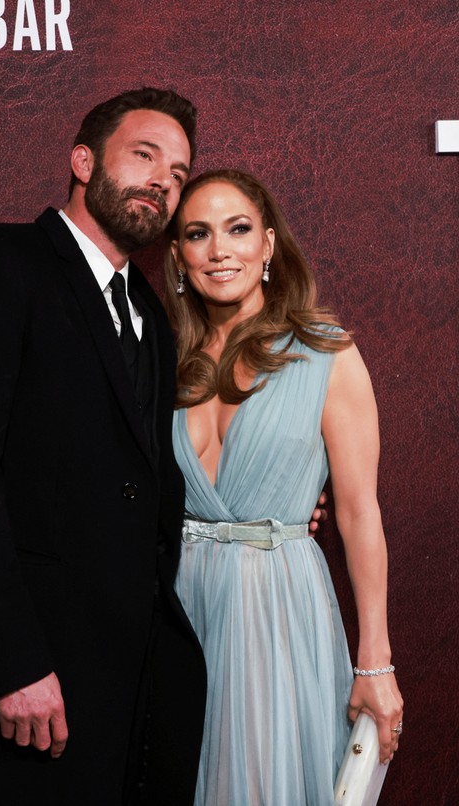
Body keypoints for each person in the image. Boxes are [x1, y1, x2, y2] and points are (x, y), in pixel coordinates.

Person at [0, 88, 208, 806]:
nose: (163, 179)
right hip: (23, 683)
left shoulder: (153, 319)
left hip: (123, 689)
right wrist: (10, 663)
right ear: (82, 160)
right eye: (144, 155)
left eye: (179, 172)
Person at [163, 169, 404, 806]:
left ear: (268, 245)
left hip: (277, 607)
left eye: (238, 229)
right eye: (198, 234)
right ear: (178, 258)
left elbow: (358, 514)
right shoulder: (161, 361)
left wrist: (374, 661)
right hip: (178, 610)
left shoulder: (326, 352)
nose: (220, 250)